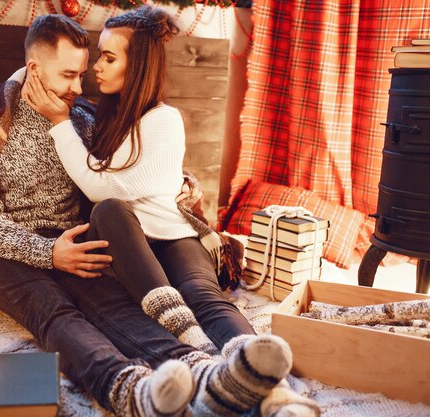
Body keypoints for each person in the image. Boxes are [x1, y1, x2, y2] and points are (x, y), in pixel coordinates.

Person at [0, 13, 294, 417]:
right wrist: (49, 254)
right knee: (56, 315)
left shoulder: (83, 118)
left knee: (117, 306)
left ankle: (202, 369)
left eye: (83, 71)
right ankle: (130, 388)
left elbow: (127, 173)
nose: (80, 85)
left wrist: (182, 185)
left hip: (73, 236)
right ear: (35, 69)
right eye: (69, 75)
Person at [24, 6, 321, 417]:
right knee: (111, 215)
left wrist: (58, 121)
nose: (96, 68)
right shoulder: (104, 116)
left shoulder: (164, 119)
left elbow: (104, 184)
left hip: (171, 235)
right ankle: (207, 364)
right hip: (129, 242)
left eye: (109, 57)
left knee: (206, 299)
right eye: (99, 56)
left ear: (139, 63)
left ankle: (278, 394)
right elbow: (111, 187)